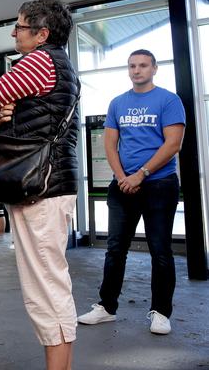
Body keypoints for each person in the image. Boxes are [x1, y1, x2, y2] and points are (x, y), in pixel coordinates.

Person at [0, 0, 80, 370]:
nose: (13, 32)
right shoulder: (64, 67)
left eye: (19, 27)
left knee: (44, 287)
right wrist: (6, 112)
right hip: (54, 184)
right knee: (52, 281)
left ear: (41, 34)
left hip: (40, 190)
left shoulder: (38, 61)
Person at [77, 49, 185, 335]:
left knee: (160, 250)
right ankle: (106, 307)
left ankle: (161, 312)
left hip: (159, 185)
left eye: (143, 65)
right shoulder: (118, 103)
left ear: (154, 68)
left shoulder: (169, 100)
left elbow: (172, 144)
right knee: (115, 250)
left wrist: (141, 174)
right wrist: (123, 177)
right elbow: (110, 145)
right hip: (123, 186)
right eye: (132, 66)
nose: (136, 70)